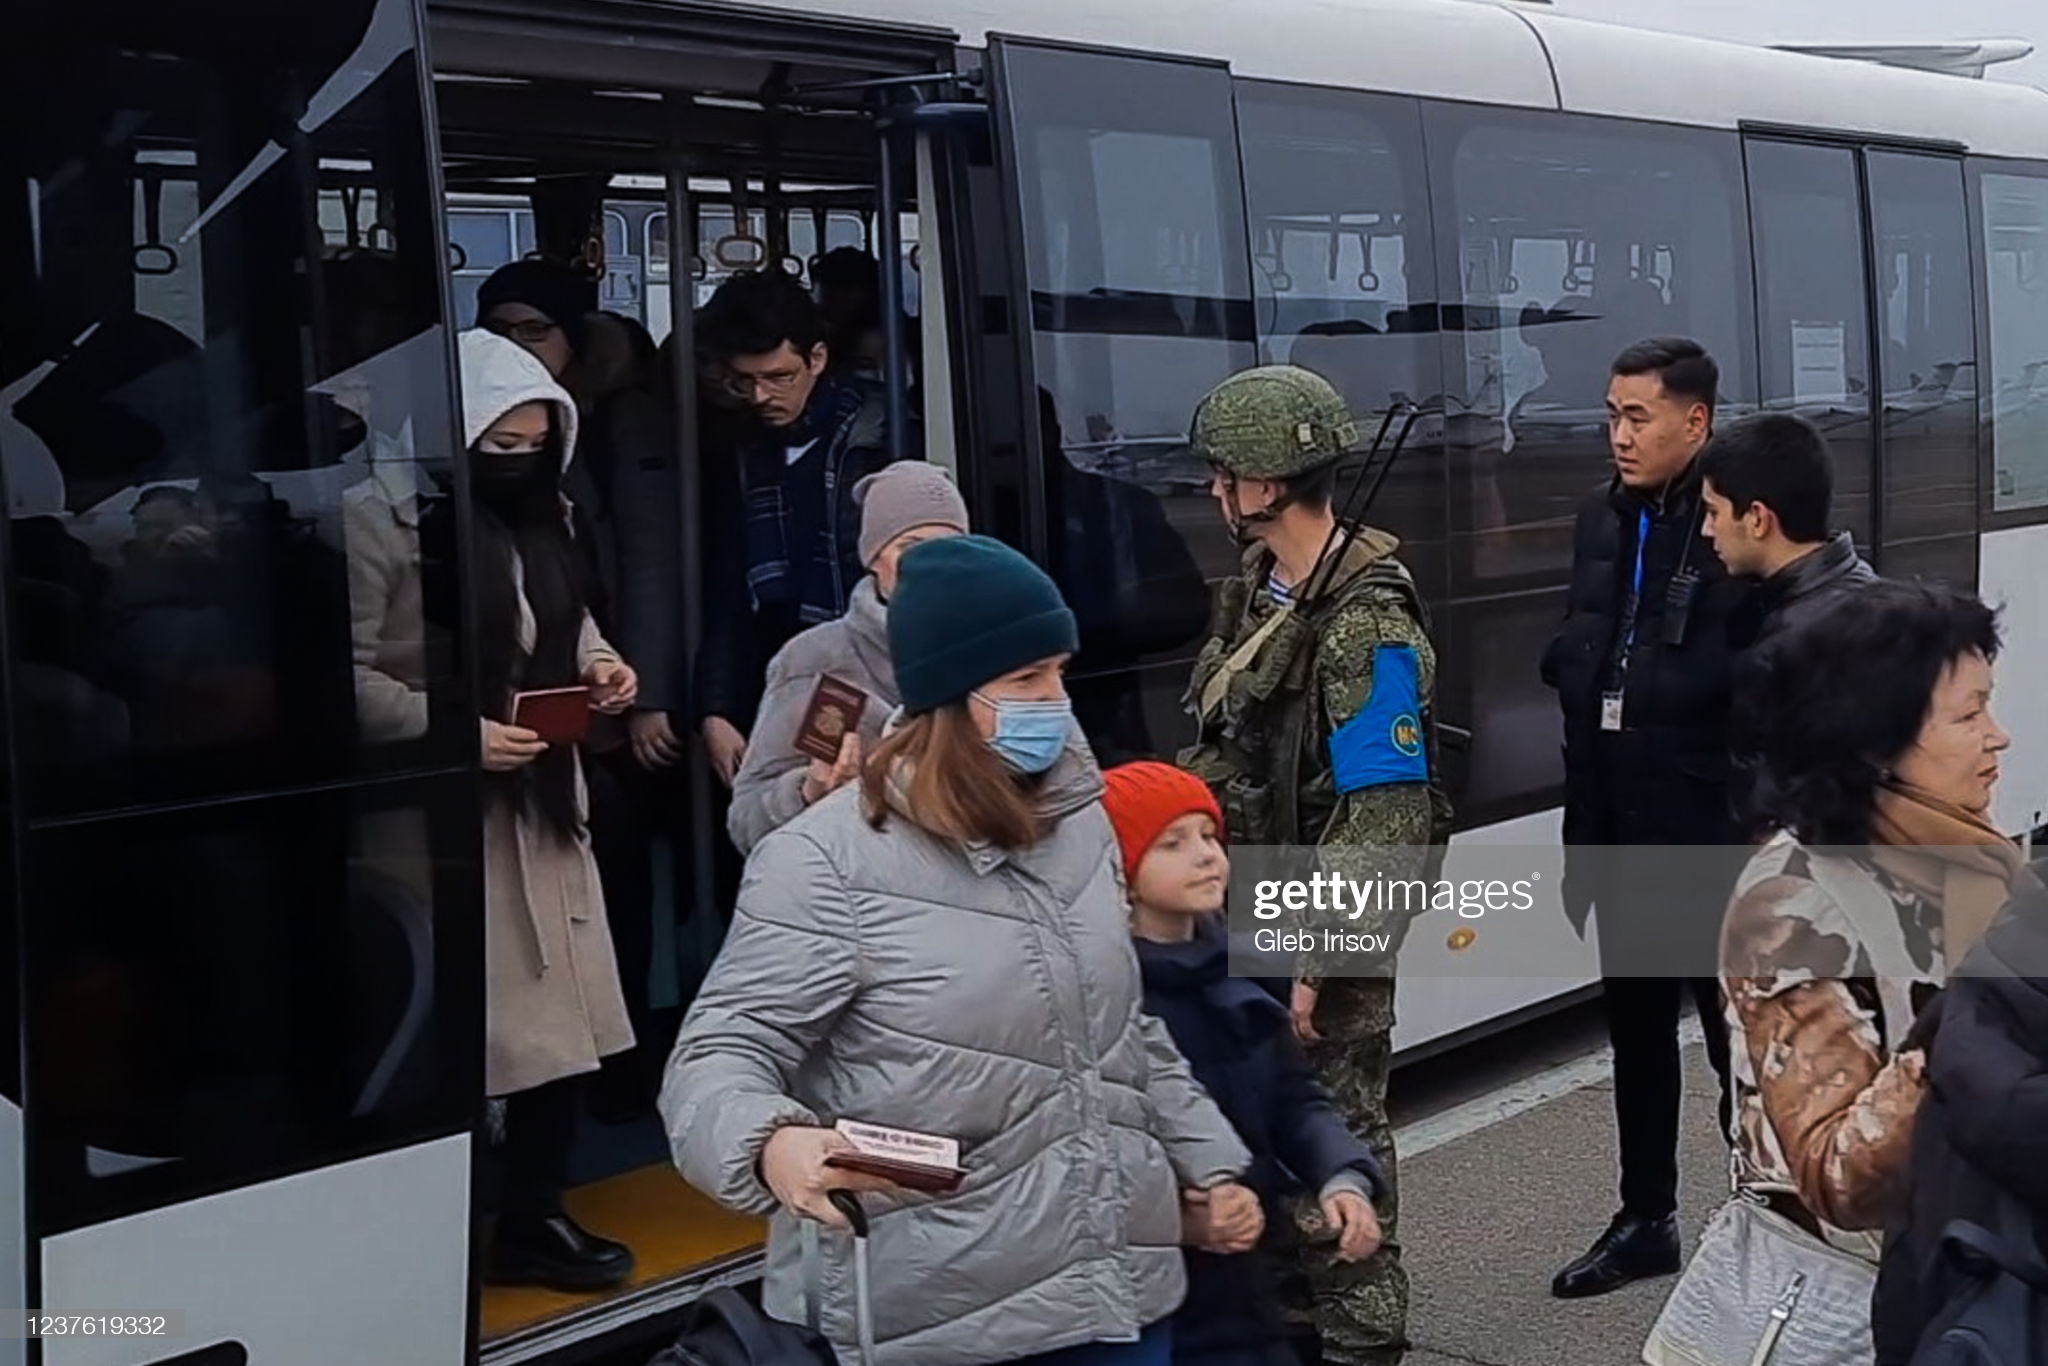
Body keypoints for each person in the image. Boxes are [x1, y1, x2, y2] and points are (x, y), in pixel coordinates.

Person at [660, 533, 1259, 1366]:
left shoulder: (1080, 825)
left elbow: (1120, 1030)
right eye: (1025, 679)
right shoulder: (823, 860)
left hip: (1119, 1293)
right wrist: (771, 1144)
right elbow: (718, 1055)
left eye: (1058, 671)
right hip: (948, 1322)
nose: (1056, 700)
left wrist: (1210, 1166)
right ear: (945, 695)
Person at [349, 329, 641, 1289]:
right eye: (496, 446)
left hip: (544, 801)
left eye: (533, 445)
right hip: (434, 819)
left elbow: (564, 616)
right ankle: (433, 1227)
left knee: (564, 1026)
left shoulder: (541, 515)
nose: (516, 464)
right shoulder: (375, 522)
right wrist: (454, 734)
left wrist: (599, 668)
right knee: (456, 1034)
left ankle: (533, 1212)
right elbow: (338, 677)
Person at [1178, 365, 1452, 1366]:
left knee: (1335, 1159)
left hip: (1312, 935)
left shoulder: (1364, 622)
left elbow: (1384, 811)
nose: (1214, 489)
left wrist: (1311, 960)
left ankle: (1359, 1343)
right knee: (1263, 1153)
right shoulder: (1262, 590)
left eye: (1226, 473)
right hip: (1240, 913)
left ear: (1270, 481)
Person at [1716, 580, 2027, 1349]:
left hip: (1978, 1261)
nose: (2000, 736)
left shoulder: (1967, 854)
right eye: (1968, 715)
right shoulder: (1793, 902)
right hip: (1870, 1307)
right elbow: (1836, 1179)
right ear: (1873, 740)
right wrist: (1972, 1015)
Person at [1540, 337, 1755, 1300]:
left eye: (1638, 417)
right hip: (1619, 824)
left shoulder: (1732, 524)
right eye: (1612, 415)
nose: (1619, 435)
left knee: (1736, 1046)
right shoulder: (1600, 518)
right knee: (1634, 1032)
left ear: (1694, 421)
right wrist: (1582, 835)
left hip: (1709, 837)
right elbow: (1582, 682)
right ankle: (1646, 1219)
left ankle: (1768, 1218)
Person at [1107, 760, 1387, 1366]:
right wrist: (1184, 1222)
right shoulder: (1109, 1002)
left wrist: (1342, 1178)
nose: (1207, 855)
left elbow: (1295, 1097)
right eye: (1173, 843)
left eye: (1209, 835)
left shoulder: (1241, 968)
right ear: (1120, 872)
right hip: (1158, 1302)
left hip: (1247, 1279)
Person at [692, 268, 904, 792]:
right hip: (771, 675)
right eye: (744, 381)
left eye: (778, 377)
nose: (760, 395)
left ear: (817, 358)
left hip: (860, 670)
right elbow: (727, 587)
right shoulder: (742, 452)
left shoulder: (884, 437)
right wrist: (715, 708)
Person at [725, 460, 969, 854]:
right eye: (911, 547)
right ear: (873, 557)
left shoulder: (997, 649)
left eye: (950, 547)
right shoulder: (818, 660)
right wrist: (808, 791)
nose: (932, 563)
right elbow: (747, 820)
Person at [1871, 872, 2048, 1363]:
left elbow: (1904, 1292)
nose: (1990, 787)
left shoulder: (1995, 960)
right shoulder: (1798, 892)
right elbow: (1830, 1172)